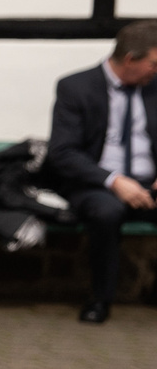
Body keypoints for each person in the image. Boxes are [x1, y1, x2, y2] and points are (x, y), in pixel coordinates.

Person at [45, 18, 157, 323]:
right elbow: (62, 152)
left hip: (150, 183)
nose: (156, 70)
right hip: (97, 183)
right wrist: (114, 181)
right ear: (131, 59)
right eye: (153, 63)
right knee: (106, 212)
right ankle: (101, 299)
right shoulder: (75, 87)